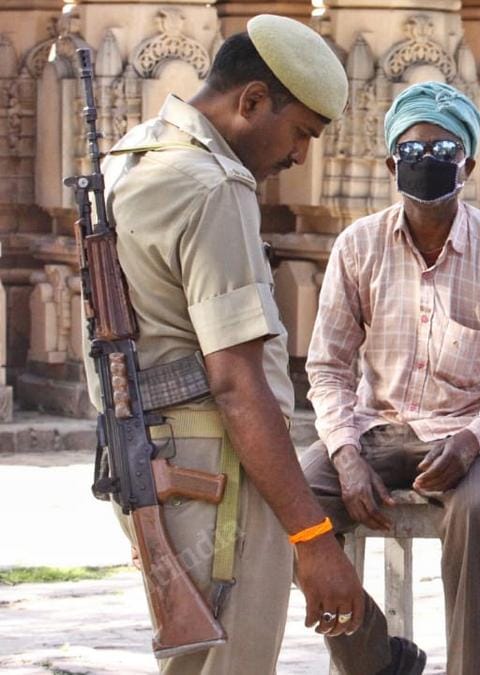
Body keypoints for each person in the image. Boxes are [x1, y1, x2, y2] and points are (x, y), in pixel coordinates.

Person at [88, 15, 365, 673]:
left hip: (158, 461)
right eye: (301, 132)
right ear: (251, 101)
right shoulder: (214, 184)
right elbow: (238, 383)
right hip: (219, 474)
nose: (300, 156)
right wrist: (312, 536)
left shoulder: (133, 154)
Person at [301, 81, 480, 675]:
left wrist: (473, 438)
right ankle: (376, 658)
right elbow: (328, 365)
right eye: (415, 153)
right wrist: (344, 453)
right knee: (287, 505)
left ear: (467, 164)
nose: (429, 165)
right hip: (379, 427)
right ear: (392, 162)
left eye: (444, 153)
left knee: (478, 512)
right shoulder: (358, 246)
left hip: (474, 431)